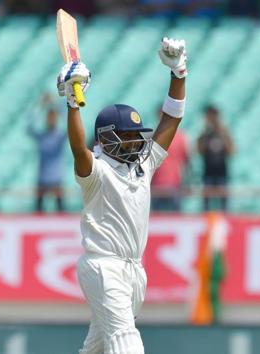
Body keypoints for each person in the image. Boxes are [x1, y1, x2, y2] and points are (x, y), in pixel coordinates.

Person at [56, 37, 187, 353]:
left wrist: (179, 72)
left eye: (136, 137)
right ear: (106, 138)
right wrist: (73, 104)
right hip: (104, 266)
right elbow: (77, 148)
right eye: (126, 137)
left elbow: (171, 118)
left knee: (99, 347)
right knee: (126, 340)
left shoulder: (144, 164)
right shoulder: (96, 171)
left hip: (133, 270)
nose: (135, 143)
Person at [28, 95, 66, 213]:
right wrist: (40, 106)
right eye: (49, 117)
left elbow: (70, 124)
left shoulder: (60, 136)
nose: (51, 120)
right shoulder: (42, 136)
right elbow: (29, 126)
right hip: (42, 178)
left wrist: (56, 106)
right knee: (38, 211)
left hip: (56, 178)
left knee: (61, 211)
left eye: (53, 117)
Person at [151, 106, 190, 212]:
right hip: (156, 185)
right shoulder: (152, 137)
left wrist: (186, 182)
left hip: (175, 185)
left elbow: (187, 162)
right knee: (157, 221)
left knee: (175, 218)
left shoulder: (181, 136)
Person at [197, 105, 235, 212]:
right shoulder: (205, 134)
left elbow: (231, 151)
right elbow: (200, 151)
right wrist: (205, 133)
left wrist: (222, 133)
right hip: (208, 172)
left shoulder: (224, 133)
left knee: (224, 202)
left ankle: (225, 218)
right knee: (207, 203)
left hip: (222, 172)